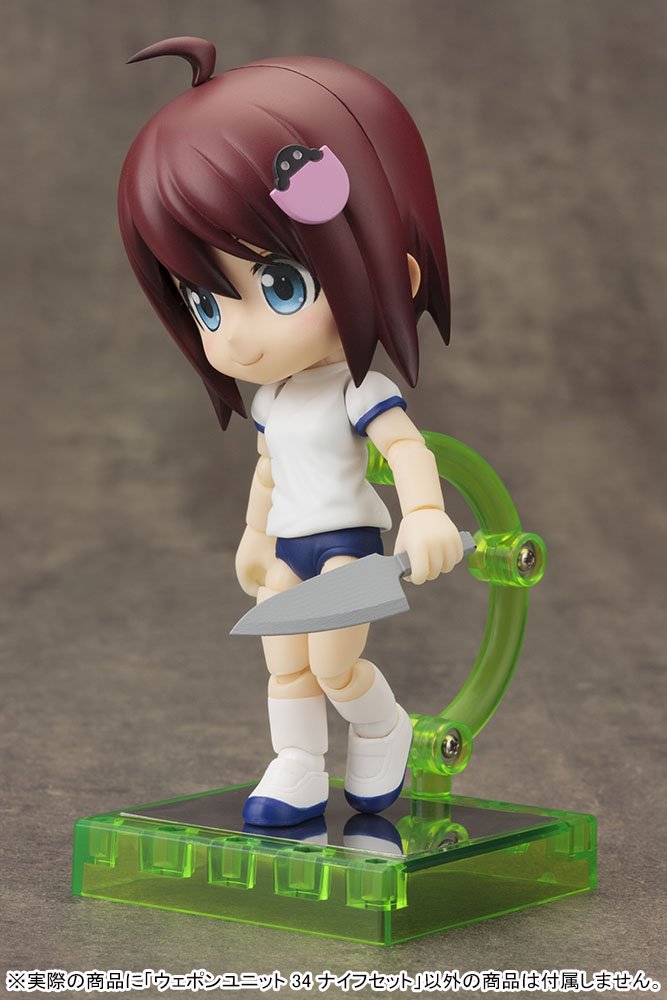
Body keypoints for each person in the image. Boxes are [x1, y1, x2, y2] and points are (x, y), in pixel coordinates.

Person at [118, 37, 463, 826]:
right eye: (205, 303)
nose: (234, 336)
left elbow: (406, 448)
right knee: (284, 666)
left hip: (347, 547)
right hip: (287, 546)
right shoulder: (272, 400)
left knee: (336, 664)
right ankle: (298, 764)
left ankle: (381, 726)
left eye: (278, 285)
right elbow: (270, 471)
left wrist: (424, 513)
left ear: (392, 269)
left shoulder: (357, 390)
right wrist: (252, 536)